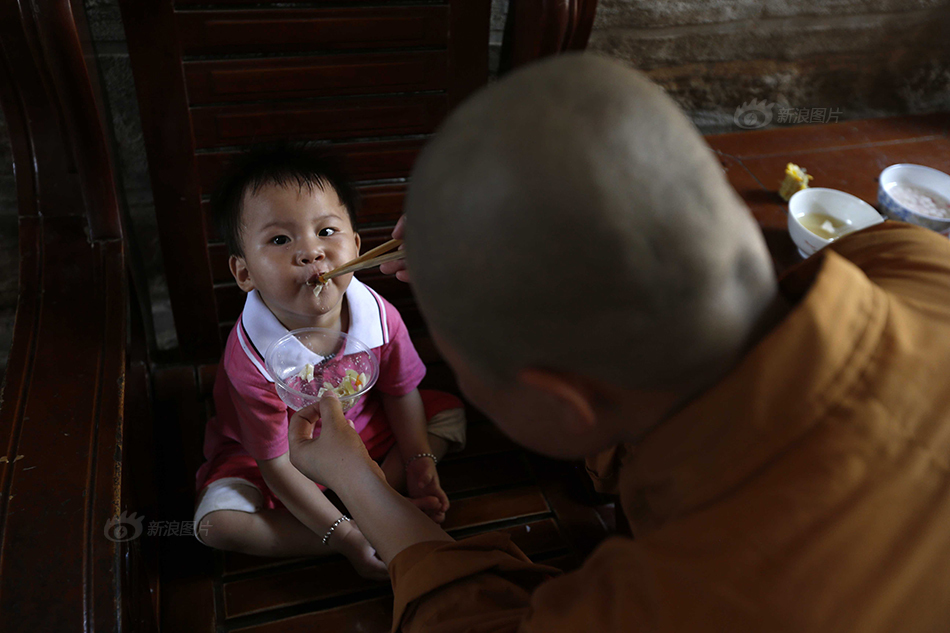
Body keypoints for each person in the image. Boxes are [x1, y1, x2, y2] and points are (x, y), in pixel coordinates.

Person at [288, 54, 950, 631]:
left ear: (568, 404)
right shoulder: (907, 252)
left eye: (463, 368)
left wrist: (359, 482)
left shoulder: (682, 602)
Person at [192, 145, 466, 580]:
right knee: (214, 525)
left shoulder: (378, 316)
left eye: (326, 232)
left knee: (446, 416)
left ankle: (378, 505)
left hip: (362, 435)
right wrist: (346, 538)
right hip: (276, 460)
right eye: (281, 239)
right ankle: (364, 528)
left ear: (357, 246)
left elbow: (400, 392)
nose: (311, 253)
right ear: (244, 273)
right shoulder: (252, 360)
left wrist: (417, 462)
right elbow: (275, 464)